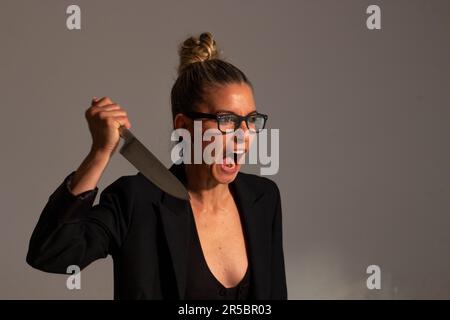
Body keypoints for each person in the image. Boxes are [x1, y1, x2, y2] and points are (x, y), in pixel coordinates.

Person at [26, 32, 287, 300]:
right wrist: (101, 152)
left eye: (251, 120)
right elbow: (51, 253)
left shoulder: (263, 198)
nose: (243, 135)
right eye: (226, 120)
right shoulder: (136, 200)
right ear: (183, 125)